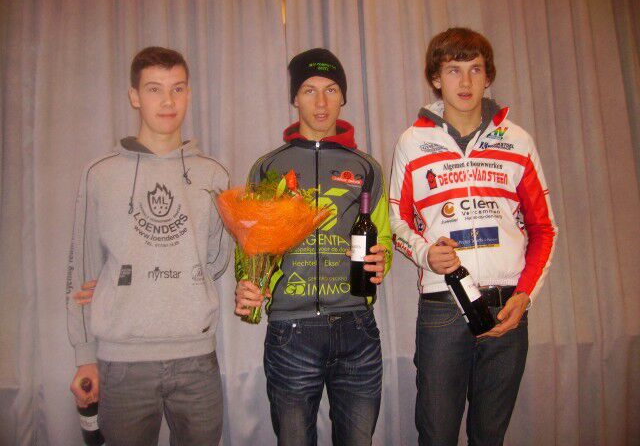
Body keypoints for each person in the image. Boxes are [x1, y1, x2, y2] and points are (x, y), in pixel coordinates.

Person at [389, 28, 557, 445]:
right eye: (453, 70)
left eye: (475, 69)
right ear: (435, 78)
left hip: (507, 308)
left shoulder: (517, 140)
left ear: (488, 76)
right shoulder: (412, 142)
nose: (465, 82)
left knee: (489, 436)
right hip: (443, 307)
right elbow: (396, 221)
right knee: (436, 435)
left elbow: (543, 229)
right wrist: (426, 254)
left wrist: (526, 296)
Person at [66, 46, 230, 446]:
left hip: (197, 361)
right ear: (135, 96)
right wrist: (84, 357)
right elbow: (81, 268)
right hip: (123, 364)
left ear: (189, 93)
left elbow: (217, 260)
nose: (168, 101)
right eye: (154, 89)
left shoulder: (214, 175)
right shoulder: (99, 174)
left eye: (178, 88)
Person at [234, 48, 393, 446]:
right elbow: (252, 245)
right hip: (291, 331)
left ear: (343, 97)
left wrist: (383, 259)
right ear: (295, 98)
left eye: (331, 89)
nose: (321, 102)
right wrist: (247, 284)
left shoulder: (367, 167)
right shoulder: (268, 167)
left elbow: (384, 237)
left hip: (357, 328)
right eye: (309, 90)